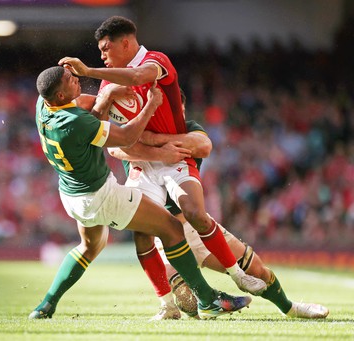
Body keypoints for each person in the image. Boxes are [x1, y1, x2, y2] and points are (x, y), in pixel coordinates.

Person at [58, 16, 267, 301]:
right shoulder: (109, 84)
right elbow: (110, 142)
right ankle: (169, 302)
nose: (102, 55)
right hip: (145, 176)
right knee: (144, 234)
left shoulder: (156, 62)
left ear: (126, 43)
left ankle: (252, 287)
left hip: (178, 186)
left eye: (106, 48)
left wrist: (87, 71)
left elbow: (202, 146)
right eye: (100, 51)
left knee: (207, 227)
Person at [29, 65, 252, 320]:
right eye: (70, 79)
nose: (76, 79)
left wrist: (110, 95)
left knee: (88, 248)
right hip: (102, 196)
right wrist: (151, 105)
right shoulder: (74, 123)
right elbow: (125, 136)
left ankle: (46, 304)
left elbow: (86, 106)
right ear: (59, 96)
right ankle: (207, 298)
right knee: (171, 229)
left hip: (72, 196)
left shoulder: (43, 104)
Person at [108, 90, 329, 320]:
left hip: (195, 225)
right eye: (168, 110)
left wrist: (152, 143)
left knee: (257, 272)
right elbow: (114, 146)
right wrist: (150, 145)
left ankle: (290, 307)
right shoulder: (131, 132)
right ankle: (198, 305)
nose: (175, 115)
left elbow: (203, 146)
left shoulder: (189, 129)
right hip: (163, 233)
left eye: (177, 110)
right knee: (186, 299)